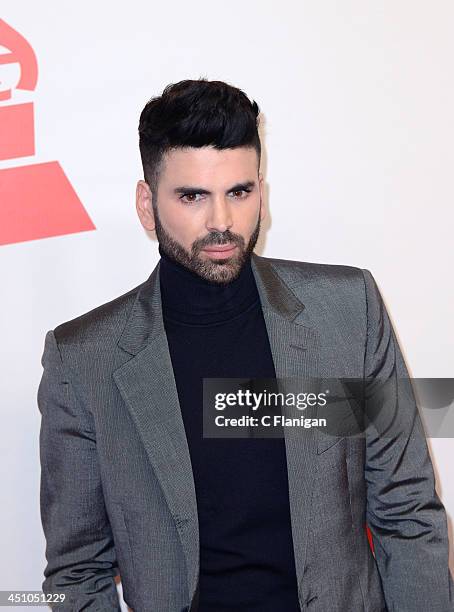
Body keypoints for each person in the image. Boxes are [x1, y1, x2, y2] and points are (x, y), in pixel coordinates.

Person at [38, 78, 454, 612]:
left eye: (239, 192)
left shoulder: (348, 312)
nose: (221, 223)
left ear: (262, 190)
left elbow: (407, 511)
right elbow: (76, 572)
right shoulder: (84, 359)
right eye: (192, 196)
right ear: (147, 204)